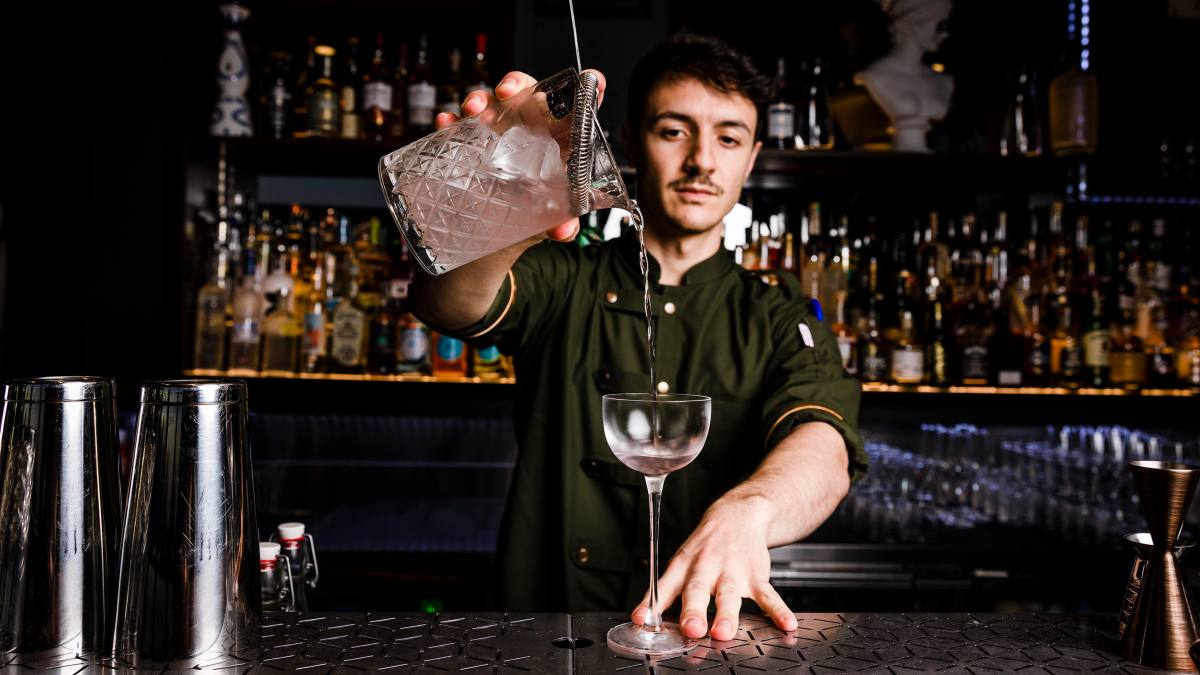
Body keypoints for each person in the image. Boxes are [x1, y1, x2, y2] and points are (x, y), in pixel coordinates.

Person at [411, 32, 866, 641]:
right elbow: (447, 304)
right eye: (675, 131)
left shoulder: (779, 317)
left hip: (710, 642)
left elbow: (825, 446)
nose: (703, 161)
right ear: (629, 142)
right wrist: (504, 208)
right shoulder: (563, 275)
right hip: (545, 637)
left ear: (751, 159)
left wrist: (749, 508)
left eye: (728, 139)